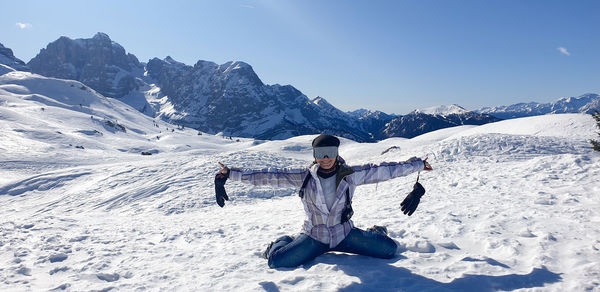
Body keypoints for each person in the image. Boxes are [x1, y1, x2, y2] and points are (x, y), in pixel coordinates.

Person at [215, 134, 433, 268]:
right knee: (276, 262)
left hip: (344, 234)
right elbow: (269, 176)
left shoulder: (351, 174)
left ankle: (376, 231)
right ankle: (283, 240)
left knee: (389, 249)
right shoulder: (304, 177)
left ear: (337, 153)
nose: (326, 158)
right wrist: (231, 174)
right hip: (314, 237)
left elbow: (386, 170)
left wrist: (418, 165)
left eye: (330, 152)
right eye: (321, 152)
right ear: (314, 154)